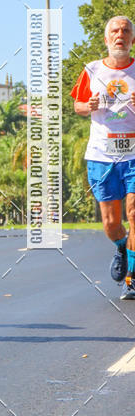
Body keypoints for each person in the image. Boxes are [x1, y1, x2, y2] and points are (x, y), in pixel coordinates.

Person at [71, 15, 135, 300]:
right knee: (110, 222)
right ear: (107, 39)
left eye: (125, 31)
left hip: (134, 154)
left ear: (132, 39)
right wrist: (89, 104)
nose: (120, 35)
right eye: (114, 31)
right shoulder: (92, 69)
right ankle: (122, 247)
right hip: (102, 156)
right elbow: (77, 105)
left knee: (134, 214)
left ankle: (132, 278)